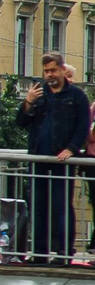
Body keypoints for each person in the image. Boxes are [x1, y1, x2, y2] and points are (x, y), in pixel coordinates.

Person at [19, 51, 88, 264]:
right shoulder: (39, 93)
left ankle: (63, 253)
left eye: (53, 70)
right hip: (38, 157)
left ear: (62, 69)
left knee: (61, 207)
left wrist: (71, 148)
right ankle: (39, 252)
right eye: (46, 71)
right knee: (38, 206)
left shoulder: (76, 96)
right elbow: (20, 123)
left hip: (61, 160)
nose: (49, 75)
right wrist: (28, 103)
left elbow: (83, 126)